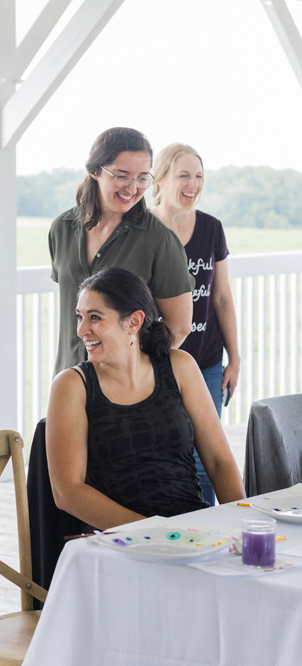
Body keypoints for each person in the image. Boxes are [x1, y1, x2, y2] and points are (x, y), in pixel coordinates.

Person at [46, 267, 244, 531]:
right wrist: (158, 532)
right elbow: (67, 492)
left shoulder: (179, 366)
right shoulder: (72, 385)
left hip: (193, 531)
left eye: (95, 317)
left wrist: (244, 527)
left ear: (134, 322)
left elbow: (220, 462)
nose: (82, 330)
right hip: (123, 541)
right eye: (80, 316)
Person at [48, 127, 195, 375]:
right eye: (122, 175)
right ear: (95, 171)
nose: (133, 187)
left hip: (125, 387)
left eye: (142, 177)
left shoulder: (160, 240)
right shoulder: (61, 229)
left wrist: (137, 372)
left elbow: (179, 328)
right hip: (68, 378)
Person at [152, 143, 240, 507]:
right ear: (161, 178)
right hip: (157, 363)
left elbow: (221, 298)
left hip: (205, 363)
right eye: (183, 175)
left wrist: (234, 358)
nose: (193, 184)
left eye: (199, 176)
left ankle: (207, 530)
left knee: (207, 461)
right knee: (164, 455)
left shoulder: (211, 228)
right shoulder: (143, 229)